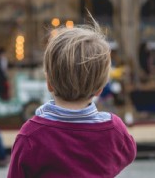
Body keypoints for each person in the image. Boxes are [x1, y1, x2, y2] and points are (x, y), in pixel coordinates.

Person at [8, 19, 136, 178]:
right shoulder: (114, 129)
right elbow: (128, 153)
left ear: (49, 84)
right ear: (99, 89)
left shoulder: (31, 135)